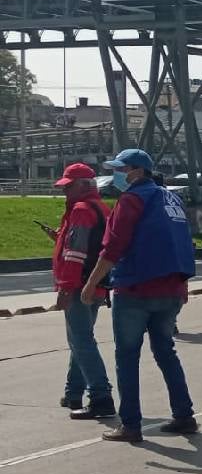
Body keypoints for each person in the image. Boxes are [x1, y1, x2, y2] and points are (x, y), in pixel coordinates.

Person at [80, 149, 196, 444]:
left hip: (136, 289)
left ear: (137, 171)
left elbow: (114, 246)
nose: (118, 174)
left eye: (122, 168)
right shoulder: (172, 199)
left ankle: (130, 424)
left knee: (127, 357)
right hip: (171, 289)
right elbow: (182, 242)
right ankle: (184, 415)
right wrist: (183, 286)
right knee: (166, 352)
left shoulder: (131, 199)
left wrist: (92, 282)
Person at [45, 163, 115, 419]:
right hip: (95, 285)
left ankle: (101, 396)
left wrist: (65, 288)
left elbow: (75, 254)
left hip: (79, 286)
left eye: (68, 187)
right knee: (79, 339)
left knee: (82, 341)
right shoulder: (101, 208)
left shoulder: (82, 210)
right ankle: (73, 392)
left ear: (84, 186)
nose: (65, 193)